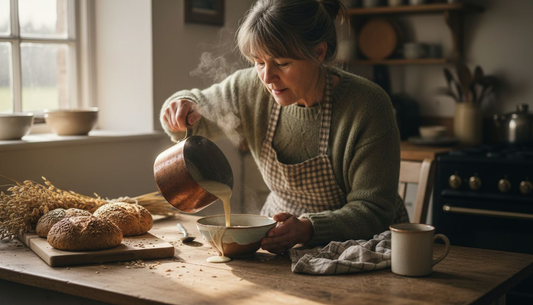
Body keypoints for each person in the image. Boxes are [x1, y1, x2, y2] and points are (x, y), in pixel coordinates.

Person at [161, 0, 408, 255]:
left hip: (363, 248)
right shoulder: (250, 90)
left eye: (281, 63)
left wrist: (307, 228)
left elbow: (374, 210)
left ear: (319, 53)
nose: (267, 78)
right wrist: (179, 108)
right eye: (258, 62)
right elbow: (198, 105)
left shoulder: (367, 105)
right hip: (278, 240)